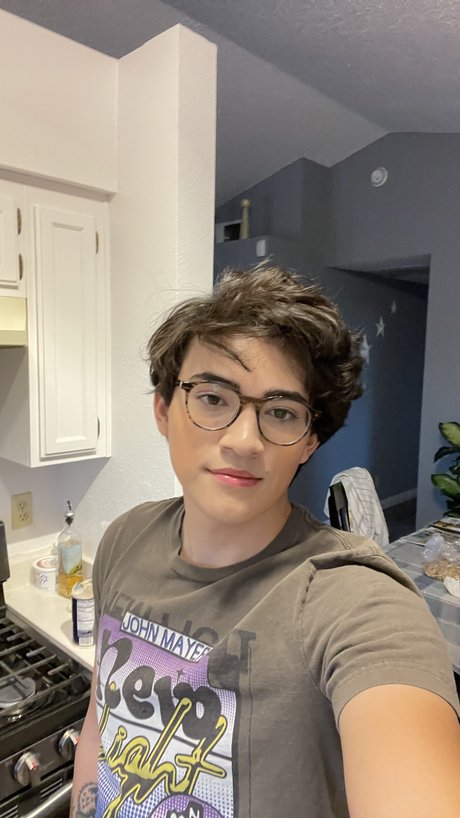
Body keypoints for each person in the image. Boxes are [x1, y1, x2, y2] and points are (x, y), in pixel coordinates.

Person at [71, 264, 460, 818]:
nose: (244, 440)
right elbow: (100, 727)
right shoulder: (125, 539)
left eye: (280, 412)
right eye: (212, 398)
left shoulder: (354, 602)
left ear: (309, 441)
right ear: (163, 410)